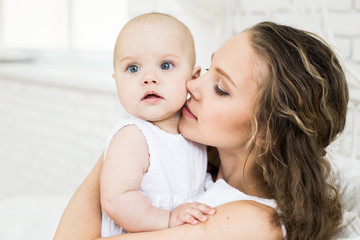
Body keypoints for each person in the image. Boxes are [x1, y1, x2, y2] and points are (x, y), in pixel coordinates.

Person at [54, 21, 349, 240]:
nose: (192, 86)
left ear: (268, 133)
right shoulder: (199, 166)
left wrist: (130, 134)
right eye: (206, 70)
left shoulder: (254, 224)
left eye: (220, 89)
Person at [99, 13, 214, 237]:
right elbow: (116, 199)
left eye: (166, 65)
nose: (149, 78)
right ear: (117, 82)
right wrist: (167, 219)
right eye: (133, 68)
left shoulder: (194, 130)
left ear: (194, 77)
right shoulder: (133, 136)